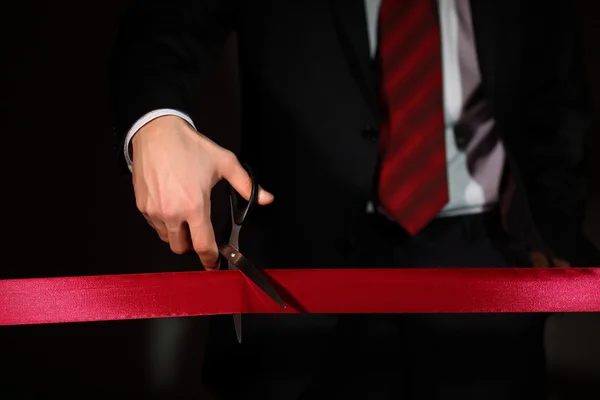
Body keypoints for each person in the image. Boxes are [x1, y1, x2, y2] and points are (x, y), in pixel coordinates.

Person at [109, 0, 598, 399]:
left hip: (486, 262)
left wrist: (551, 227)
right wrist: (156, 122)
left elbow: (556, 84)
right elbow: (162, 24)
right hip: (295, 269)